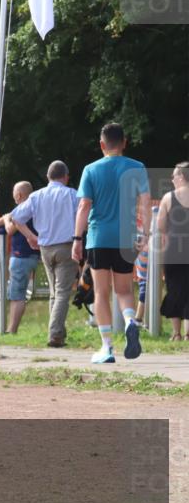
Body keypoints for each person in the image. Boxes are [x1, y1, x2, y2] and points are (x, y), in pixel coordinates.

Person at [71, 123, 151, 363]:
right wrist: (145, 236)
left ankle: (106, 348)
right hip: (126, 237)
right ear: (124, 142)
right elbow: (145, 203)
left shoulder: (91, 170)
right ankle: (129, 322)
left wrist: (77, 239)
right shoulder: (137, 168)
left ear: (102, 144)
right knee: (125, 290)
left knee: (101, 293)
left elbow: (84, 206)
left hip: (99, 237)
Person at [8, 160, 79, 347]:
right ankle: (55, 333)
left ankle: (58, 332)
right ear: (66, 177)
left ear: (48, 177)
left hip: (45, 248)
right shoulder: (72, 195)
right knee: (63, 292)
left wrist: (31, 236)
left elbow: (15, 217)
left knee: (54, 293)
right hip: (66, 247)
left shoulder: (36, 196)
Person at [0, 181, 39, 334]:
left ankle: (11, 330)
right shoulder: (34, 206)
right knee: (19, 293)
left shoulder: (23, 210)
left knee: (17, 295)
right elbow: (7, 217)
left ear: (19, 195)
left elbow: (10, 228)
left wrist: (7, 220)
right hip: (34, 255)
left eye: (14, 193)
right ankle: (11, 329)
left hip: (21, 257)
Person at [158, 161, 189, 341]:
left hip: (174, 250)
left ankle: (176, 333)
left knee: (174, 289)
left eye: (174, 176)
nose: (172, 179)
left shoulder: (169, 198)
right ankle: (188, 334)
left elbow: (161, 226)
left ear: (182, 177)